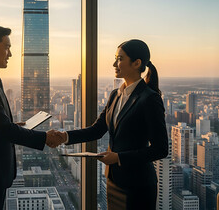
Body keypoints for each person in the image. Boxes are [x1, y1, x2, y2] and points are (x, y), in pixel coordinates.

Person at [51, 39, 168, 210]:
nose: (114, 63)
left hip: (138, 185)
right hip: (114, 181)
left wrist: (119, 157)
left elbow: (161, 149)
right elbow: (96, 130)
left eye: (120, 58)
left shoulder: (149, 99)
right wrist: (65, 137)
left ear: (137, 63)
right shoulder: (115, 95)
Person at [0, 24, 62, 210]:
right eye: (6, 47)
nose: (10, 53)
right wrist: (45, 137)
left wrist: (10, 124)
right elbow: (4, 130)